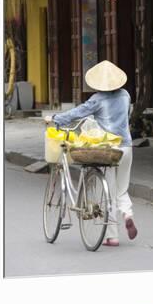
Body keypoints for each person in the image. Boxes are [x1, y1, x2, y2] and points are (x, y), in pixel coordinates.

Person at [45, 60, 138, 246]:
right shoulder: (125, 95)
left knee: (109, 193)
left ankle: (112, 236)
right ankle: (128, 214)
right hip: (127, 147)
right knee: (122, 189)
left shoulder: (97, 99)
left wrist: (54, 118)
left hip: (109, 149)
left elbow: (77, 113)